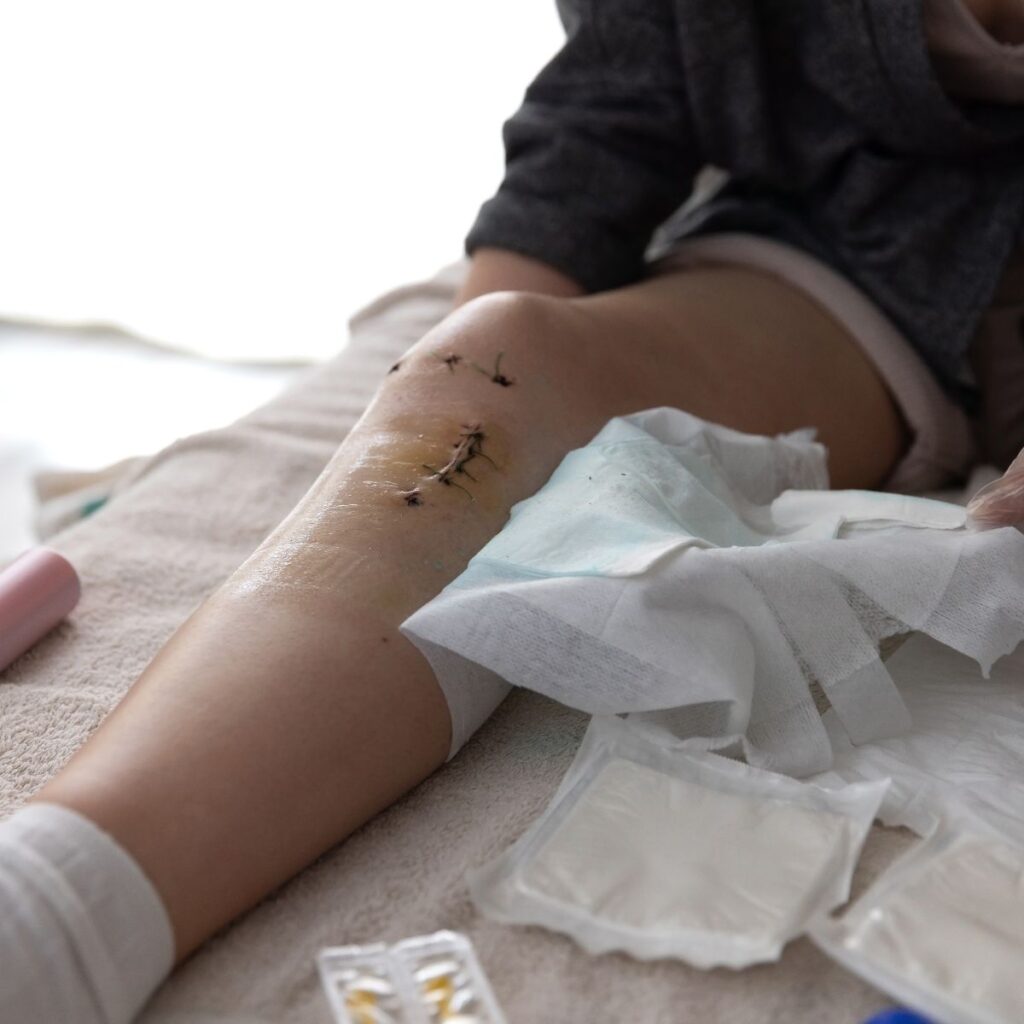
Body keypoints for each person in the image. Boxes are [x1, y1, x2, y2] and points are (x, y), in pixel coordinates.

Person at [3, 1, 1024, 1020]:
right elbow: (612, 111)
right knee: (485, 362)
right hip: (861, 271)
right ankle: (52, 908)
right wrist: (459, 388)